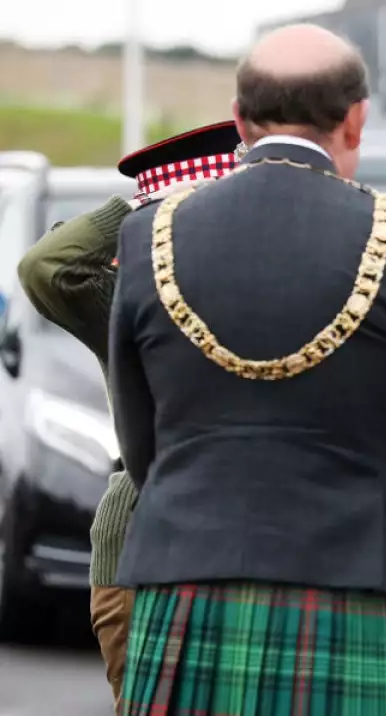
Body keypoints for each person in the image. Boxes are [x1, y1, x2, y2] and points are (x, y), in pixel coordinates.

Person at [109, 24, 386, 715]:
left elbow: (138, 434)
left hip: (185, 567)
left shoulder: (148, 233)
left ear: (238, 119)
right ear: (356, 118)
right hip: (350, 579)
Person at [16, 119, 243, 706]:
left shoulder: (277, 287)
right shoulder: (133, 301)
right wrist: (143, 207)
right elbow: (47, 267)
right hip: (145, 552)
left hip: (251, 554)